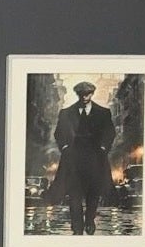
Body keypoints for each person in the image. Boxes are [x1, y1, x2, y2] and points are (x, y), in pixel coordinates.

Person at [45, 79, 116, 234]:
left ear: (92, 94)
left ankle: (89, 220)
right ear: (77, 94)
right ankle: (77, 227)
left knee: (93, 192)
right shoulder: (66, 113)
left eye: (87, 94)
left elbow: (110, 132)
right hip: (73, 160)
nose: (84, 97)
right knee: (74, 193)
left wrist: (104, 147)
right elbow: (59, 133)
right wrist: (64, 147)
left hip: (95, 159)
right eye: (81, 94)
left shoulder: (103, 113)